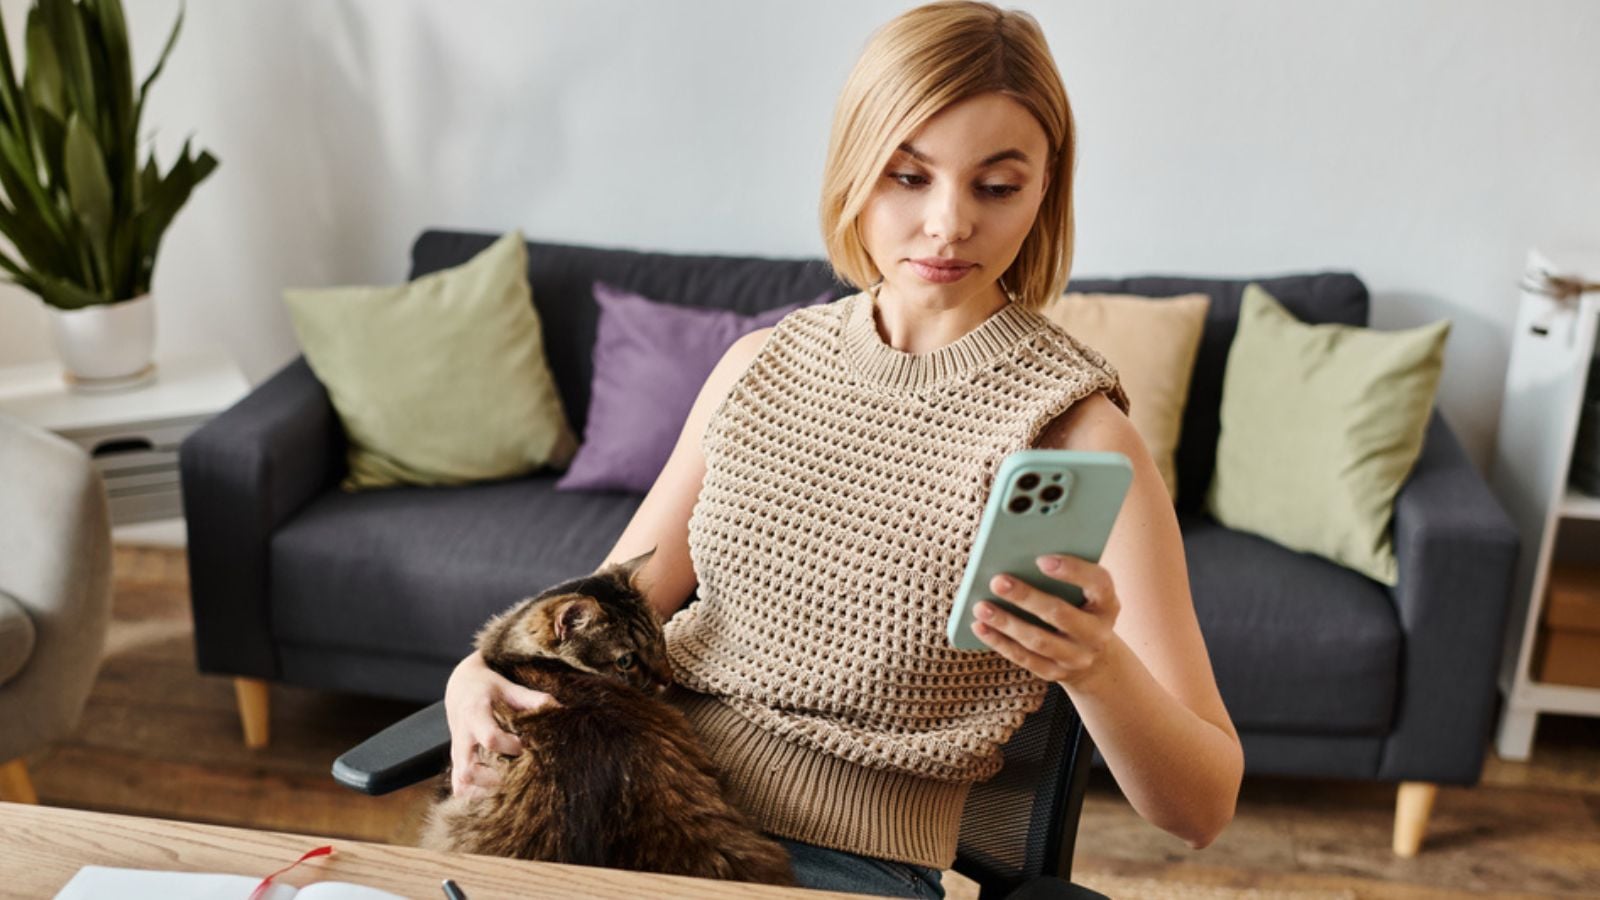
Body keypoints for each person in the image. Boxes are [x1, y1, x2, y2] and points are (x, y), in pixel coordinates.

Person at [445, 2, 1243, 897]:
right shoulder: (761, 364)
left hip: (841, 870)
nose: (947, 225)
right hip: (626, 809)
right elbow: (602, 607)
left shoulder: (1080, 433)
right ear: (855, 170)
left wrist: (1096, 669)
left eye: (996, 186)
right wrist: (475, 672)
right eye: (909, 176)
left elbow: (1201, 806)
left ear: (1044, 192)